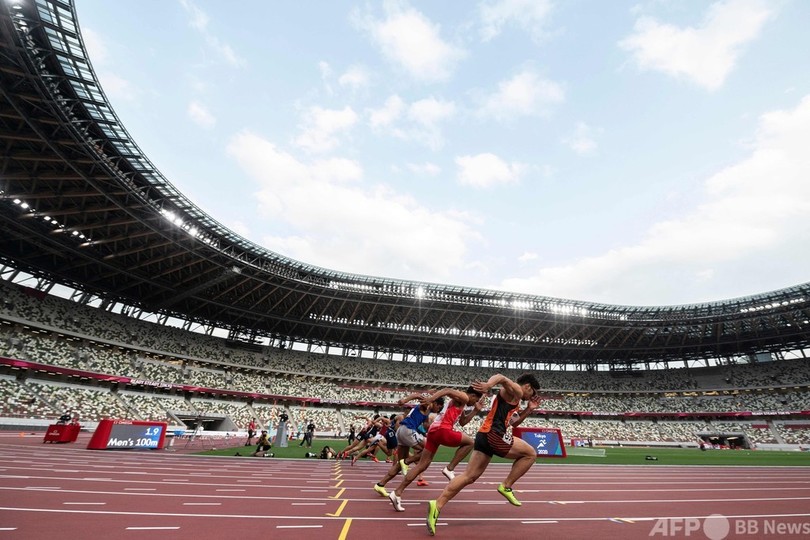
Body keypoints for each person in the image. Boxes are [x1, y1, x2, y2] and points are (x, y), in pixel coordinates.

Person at [426, 373, 541, 536]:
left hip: (483, 436)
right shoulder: (517, 390)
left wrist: (529, 410)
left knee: (469, 476)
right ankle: (506, 486)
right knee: (530, 454)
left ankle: (437, 505)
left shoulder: (515, 398)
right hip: (494, 434)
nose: (532, 397)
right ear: (528, 386)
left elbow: (514, 423)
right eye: (533, 393)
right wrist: (488, 385)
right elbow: (501, 377)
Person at [388, 386, 485, 512]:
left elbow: (463, 422)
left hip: (434, 432)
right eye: (476, 401)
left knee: (421, 466)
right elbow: (447, 390)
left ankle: (397, 493)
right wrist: (431, 399)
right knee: (471, 442)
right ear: (473, 395)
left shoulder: (462, 402)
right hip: (442, 429)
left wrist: (475, 411)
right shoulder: (464, 396)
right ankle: (449, 468)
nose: (475, 404)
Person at [372, 392, 444, 498]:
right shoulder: (427, 404)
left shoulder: (427, 412)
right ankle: (407, 461)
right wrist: (405, 401)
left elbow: (426, 426)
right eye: (439, 408)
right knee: (429, 451)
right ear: (437, 404)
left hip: (401, 432)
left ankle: (380, 484)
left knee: (399, 465)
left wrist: (435, 424)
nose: (438, 411)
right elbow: (417, 395)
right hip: (408, 430)